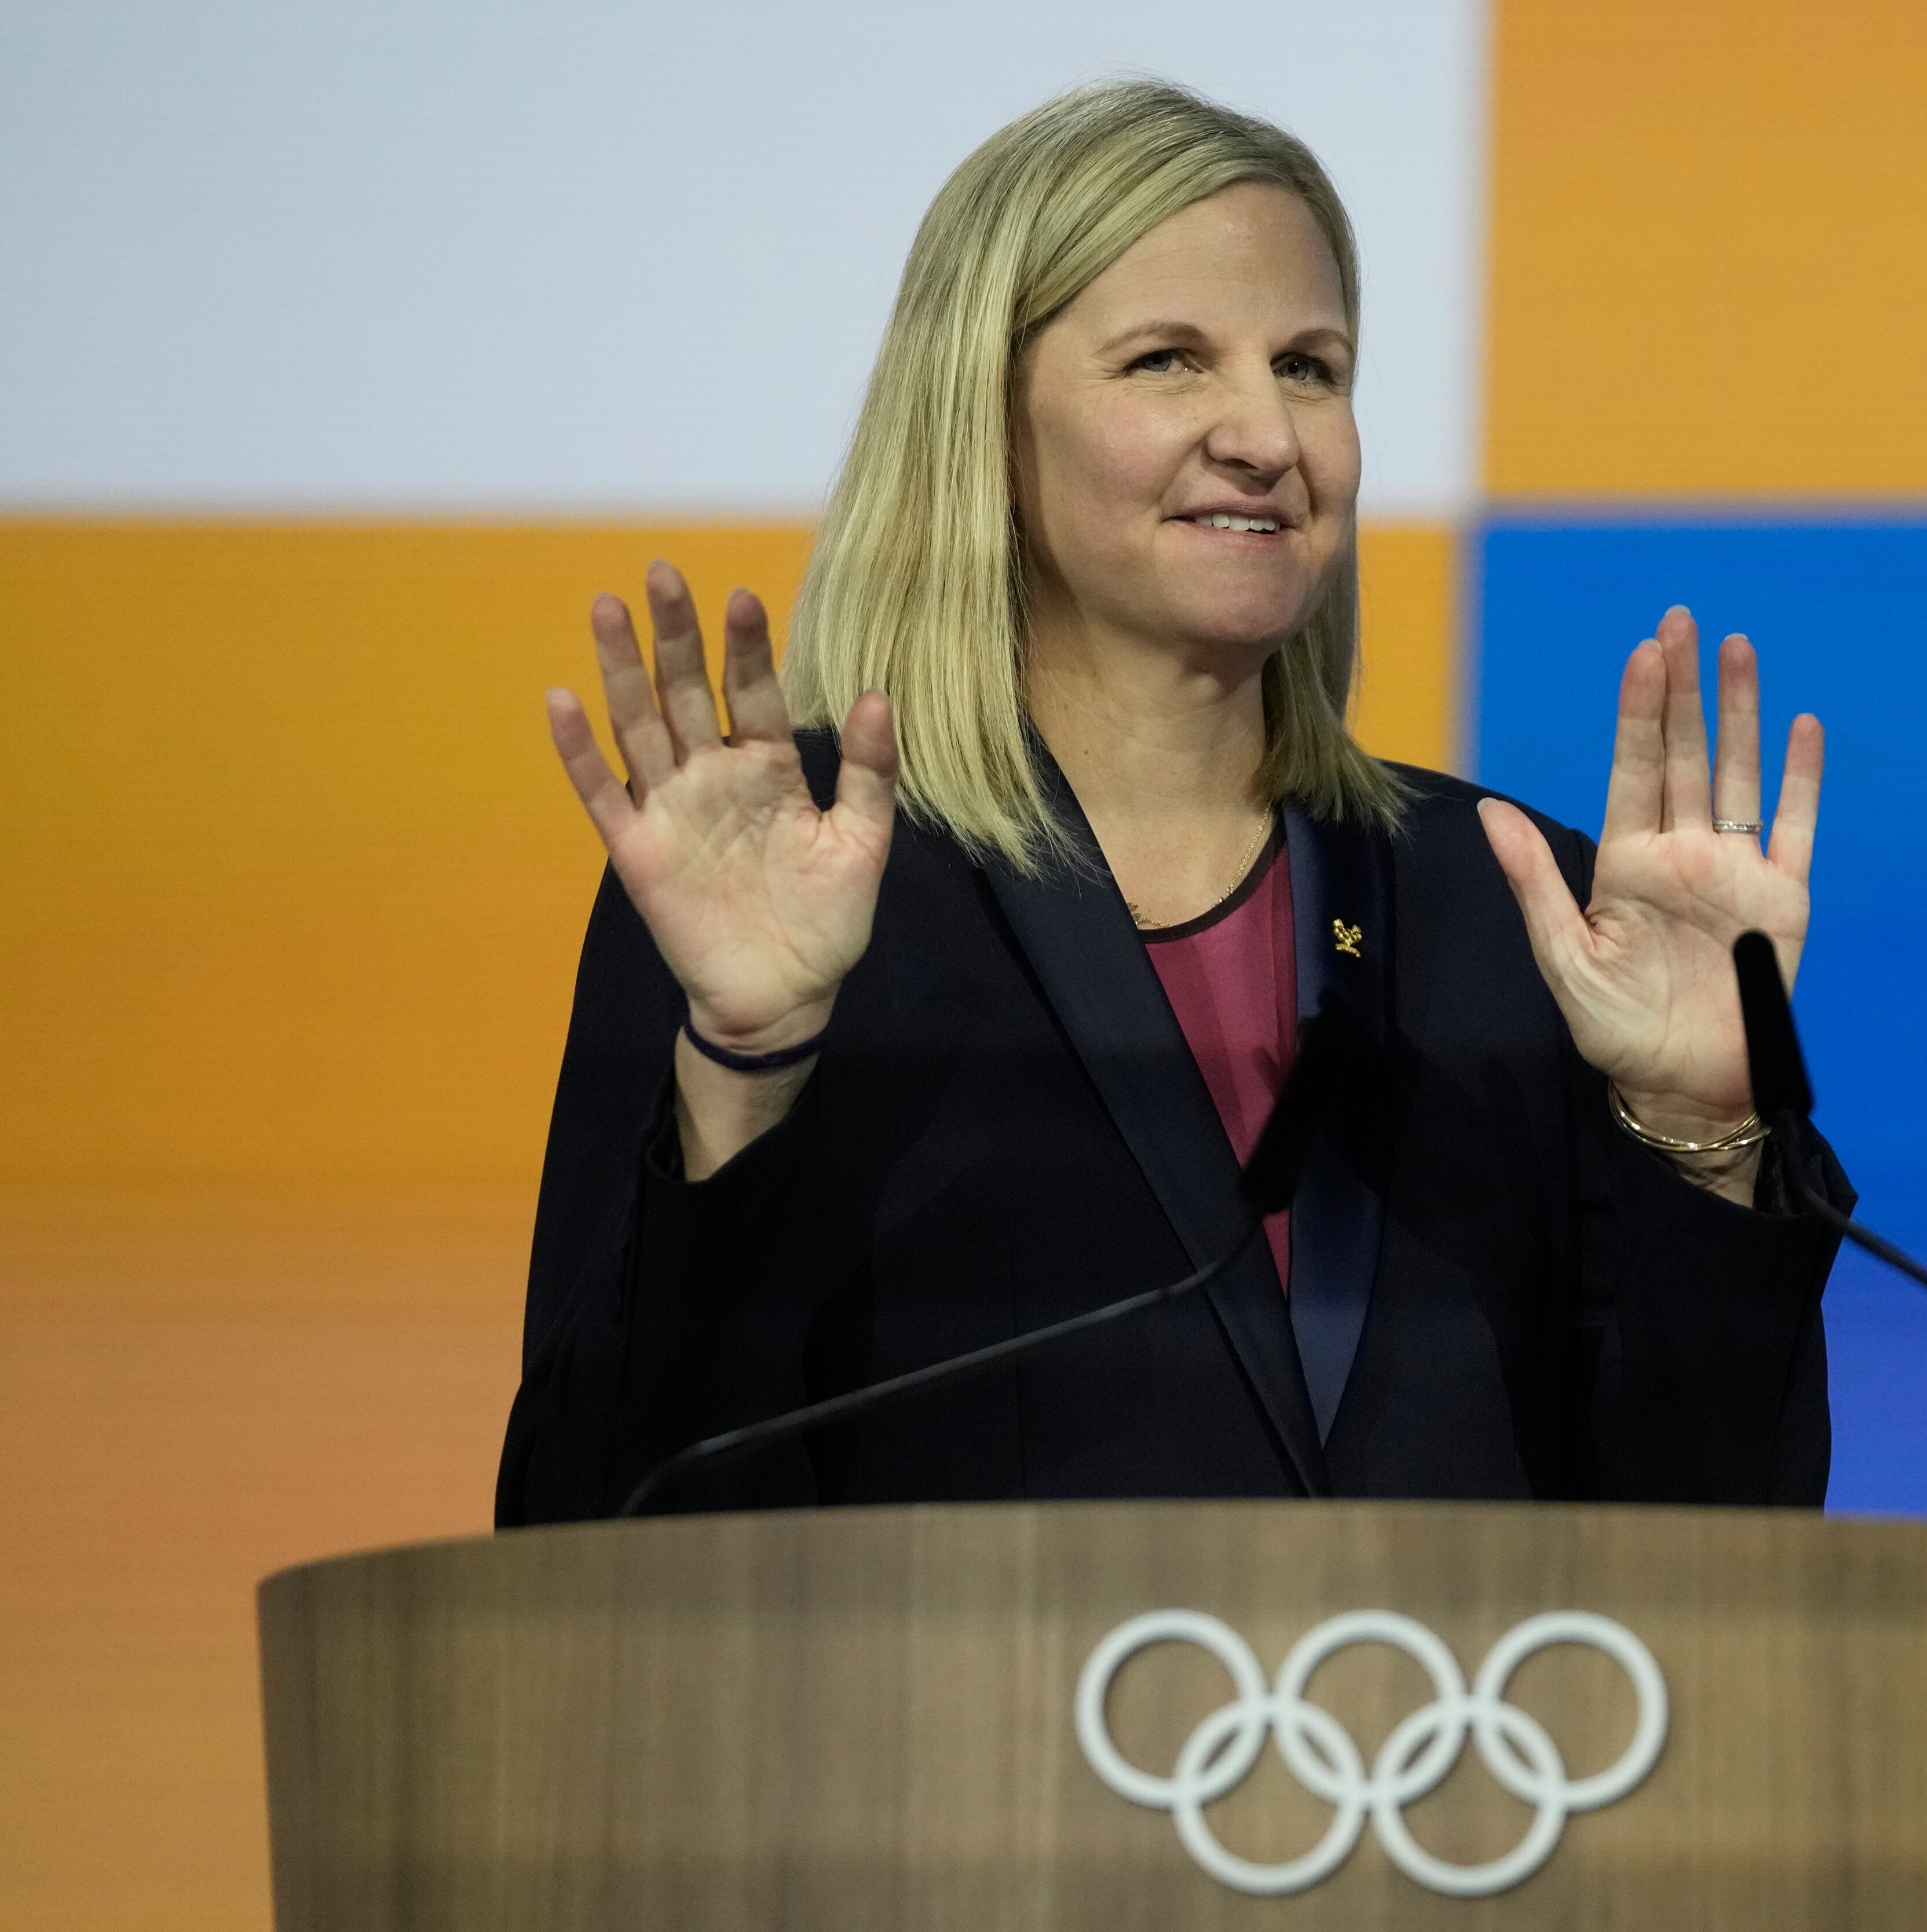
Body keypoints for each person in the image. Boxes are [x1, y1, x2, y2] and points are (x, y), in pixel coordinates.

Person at [496, 80, 1847, 1524]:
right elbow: (597, 1531)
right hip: (967, 1750)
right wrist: (745, 1070)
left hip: (1441, 1748)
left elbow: (1724, 1546)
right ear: (985, 425)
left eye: (1312, 367)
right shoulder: (795, 878)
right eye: (1168, 362)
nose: (1268, 433)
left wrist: (1705, 1137)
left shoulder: (1512, 904)